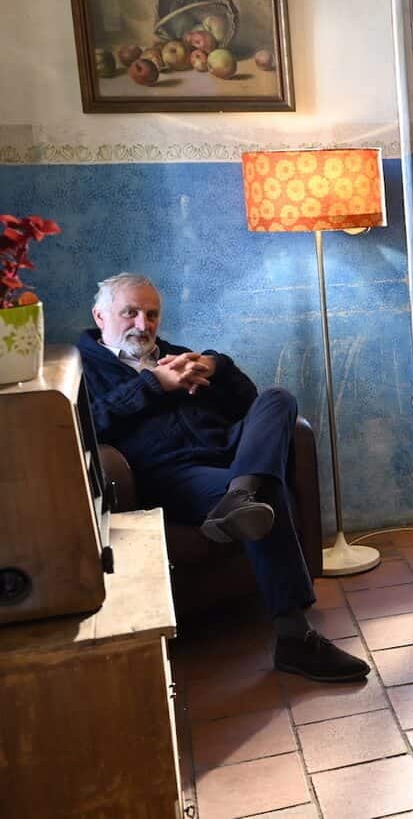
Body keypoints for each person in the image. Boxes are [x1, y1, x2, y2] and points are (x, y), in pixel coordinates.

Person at [76, 273, 369, 683]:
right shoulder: (81, 368)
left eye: (152, 314)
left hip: (232, 455)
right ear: (100, 316)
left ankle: (240, 493)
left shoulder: (177, 355)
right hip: (175, 474)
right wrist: (154, 384)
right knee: (267, 493)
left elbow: (247, 402)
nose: (143, 324)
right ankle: (294, 637)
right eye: (130, 313)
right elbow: (89, 424)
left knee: (278, 399)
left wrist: (215, 363)